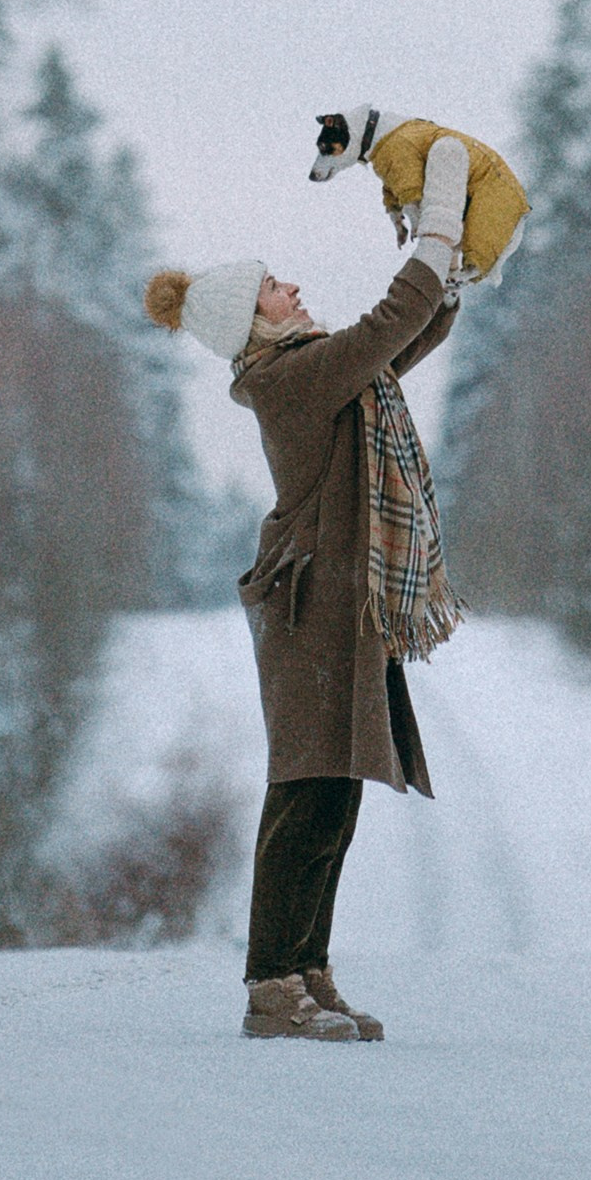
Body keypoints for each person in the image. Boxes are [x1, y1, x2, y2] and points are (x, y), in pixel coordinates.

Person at [144, 134, 470, 1040]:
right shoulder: (285, 381)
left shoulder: (322, 377)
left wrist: (457, 273)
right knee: (302, 793)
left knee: (337, 792)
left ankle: (307, 967)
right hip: (310, 608)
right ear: (254, 321)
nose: (292, 288)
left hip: (337, 603)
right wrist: (434, 234)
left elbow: (405, 339)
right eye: (275, 286)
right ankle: (270, 987)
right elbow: (383, 331)